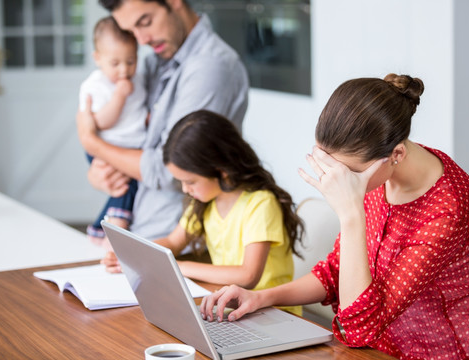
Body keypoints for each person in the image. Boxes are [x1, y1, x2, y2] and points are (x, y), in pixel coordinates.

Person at [200, 74, 469, 359]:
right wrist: (261, 297)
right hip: (383, 341)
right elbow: (336, 271)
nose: (336, 182)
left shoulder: (446, 211)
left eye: (347, 173)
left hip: (442, 349)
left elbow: (356, 329)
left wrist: (350, 216)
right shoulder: (379, 169)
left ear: (397, 154)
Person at [77, 0, 249, 243]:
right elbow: (127, 133)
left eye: (145, 22)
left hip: (181, 247)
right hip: (140, 232)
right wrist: (99, 173)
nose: (142, 39)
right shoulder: (154, 63)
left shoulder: (210, 67)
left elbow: (169, 170)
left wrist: (91, 142)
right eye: (131, 31)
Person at [103, 110, 303, 314]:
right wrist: (132, 255)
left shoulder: (261, 203)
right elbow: (173, 242)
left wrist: (177, 267)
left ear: (221, 170)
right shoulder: (205, 200)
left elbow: (248, 276)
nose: (184, 189)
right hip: (233, 307)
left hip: (272, 312)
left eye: (190, 181)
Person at [79, 16, 147, 244]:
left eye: (131, 61)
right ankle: (115, 230)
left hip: (132, 144)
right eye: (115, 63)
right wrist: (119, 97)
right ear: (98, 59)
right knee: (125, 188)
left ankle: (101, 228)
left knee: (130, 186)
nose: (124, 70)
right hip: (107, 144)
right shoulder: (95, 85)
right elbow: (99, 122)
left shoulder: (138, 79)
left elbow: (142, 108)